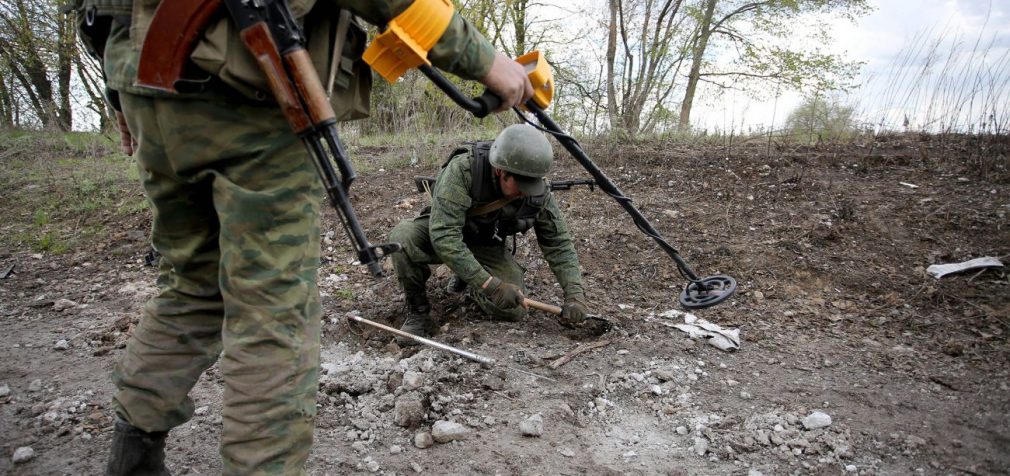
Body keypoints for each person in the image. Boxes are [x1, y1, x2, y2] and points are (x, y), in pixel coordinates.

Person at [80, 0, 534, 474]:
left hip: (145, 80)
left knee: (191, 283)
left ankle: (134, 456)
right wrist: (484, 59)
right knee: (273, 309)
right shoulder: (467, 170)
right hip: (249, 85)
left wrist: (118, 89)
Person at [389, 123, 590, 343]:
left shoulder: (538, 192)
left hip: (487, 244)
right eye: (521, 183)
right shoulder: (464, 170)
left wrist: (574, 295)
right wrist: (490, 286)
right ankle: (418, 312)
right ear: (500, 171)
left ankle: (469, 279)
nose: (526, 191)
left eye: (532, 184)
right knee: (403, 237)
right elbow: (444, 235)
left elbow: (558, 243)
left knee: (513, 311)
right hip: (446, 232)